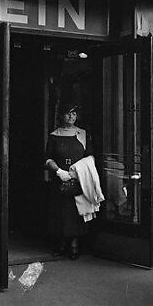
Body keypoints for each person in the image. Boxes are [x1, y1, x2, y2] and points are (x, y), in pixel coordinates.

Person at [45, 103, 93, 260]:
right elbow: (48, 158)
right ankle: (61, 244)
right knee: (60, 212)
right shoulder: (54, 135)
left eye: (74, 113)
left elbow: (90, 156)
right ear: (61, 116)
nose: (71, 116)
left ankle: (74, 245)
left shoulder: (83, 134)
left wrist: (77, 171)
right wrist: (59, 172)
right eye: (67, 113)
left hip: (78, 178)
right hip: (59, 179)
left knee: (76, 211)